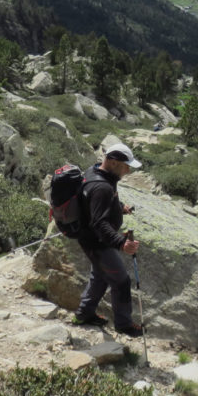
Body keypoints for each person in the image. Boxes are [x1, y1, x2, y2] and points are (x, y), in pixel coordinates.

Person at [73, 141, 144, 337]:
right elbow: (99, 223)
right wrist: (122, 243)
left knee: (100, 275)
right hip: (98, 243)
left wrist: (118, 207)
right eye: (126, 166)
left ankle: (83, 314)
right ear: (113, 162)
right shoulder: (102, 186)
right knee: (121, 281)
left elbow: (96, 204)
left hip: (89, 239)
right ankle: (123, 324)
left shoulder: (94, 172)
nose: (128, 170)